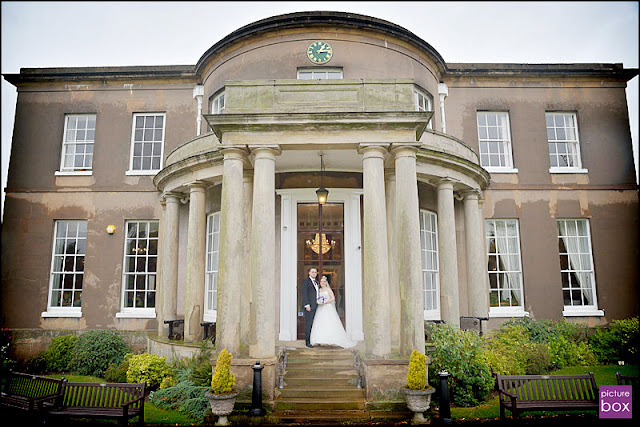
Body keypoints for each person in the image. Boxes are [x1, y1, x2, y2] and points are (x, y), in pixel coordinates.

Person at [310, 276, 356, 349]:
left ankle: (330, 339)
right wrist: (319, 302)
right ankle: (321, 340)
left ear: (326, 282)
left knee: (329, 322)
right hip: (320, 308)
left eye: (324, 282)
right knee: (321, 323)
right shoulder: (319, 290)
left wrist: (325, 302)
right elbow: (317, 298)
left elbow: (332, 298)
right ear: (320, 283)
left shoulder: (328, 290)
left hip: (327, 307)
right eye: (321, 282)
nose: (323, 283)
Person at [301, 267, 319, 348]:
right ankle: (307, 342)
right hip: (309, 307)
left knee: (314, 324)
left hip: (316, 306)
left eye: (315, 272)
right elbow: (304, 294)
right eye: (312, 272)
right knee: (308, 324)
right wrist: (307, 304)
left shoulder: (317, 282)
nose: (314, 273)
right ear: (309, 273)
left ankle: (313, 340)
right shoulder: (306, 282)